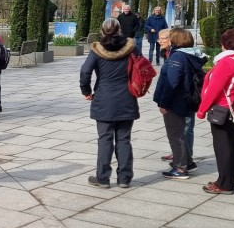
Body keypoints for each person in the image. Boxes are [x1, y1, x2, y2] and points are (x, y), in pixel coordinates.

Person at [79, 18, 139, 189]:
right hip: (127, 96)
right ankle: (124, 178)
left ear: (102, 31)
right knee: (124, 139)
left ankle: (103, 178)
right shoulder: (131, 48)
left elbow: (85, 71)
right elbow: (142, 67)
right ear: (120, 30)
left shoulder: (97, 50)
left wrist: (86, 91)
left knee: (105, 139)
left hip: (104, 98)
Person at [196, 29, 234, 195]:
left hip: (223, 109)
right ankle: (229, 181)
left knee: (223, 148)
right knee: (232, 145)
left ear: (225, 45)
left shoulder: (227, 63)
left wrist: (201, 110)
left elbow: (214, 90)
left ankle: (224, 184)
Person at [153, 28, 205, 180]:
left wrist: (164, 103)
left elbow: (172, 83)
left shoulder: (177, 56)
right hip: (184, 99)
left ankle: (180, 168)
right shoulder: (189, 54)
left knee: (175, 135)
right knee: (180, 133)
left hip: (175, 101)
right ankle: (188, 162)